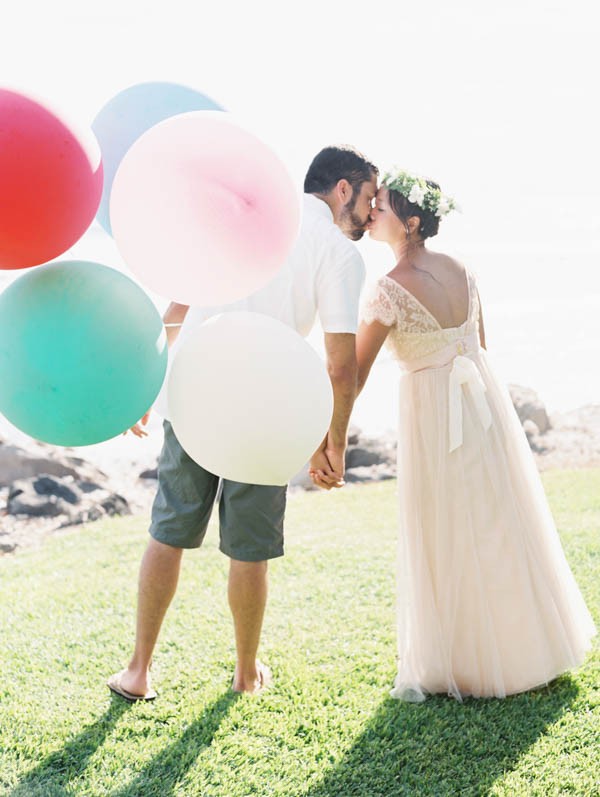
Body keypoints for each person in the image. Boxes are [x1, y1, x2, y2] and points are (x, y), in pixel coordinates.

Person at [107, 146, 378, 700]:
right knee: (249, 547)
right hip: (267, 411)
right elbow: (340, 365)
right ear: (343, 189)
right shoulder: (337, 253)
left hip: (194, 391)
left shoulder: (253, 210)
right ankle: (246, 674)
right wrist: (333, 444)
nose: (372, 214)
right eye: (370, 198)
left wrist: (144, 378)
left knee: (169, 529)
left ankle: (138, 671)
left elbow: (183, 299)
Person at [353, 168, 596, 701]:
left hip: (435, 413)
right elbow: (480, 344)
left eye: (382, 208)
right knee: (497, 519)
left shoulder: (389, 289)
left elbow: (354, 371)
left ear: (410, 221)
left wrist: (327, 432)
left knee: (443, 524)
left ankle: (463, 661)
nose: (372, 212)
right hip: (483, 405)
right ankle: (529, 647)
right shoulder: (463, 268)